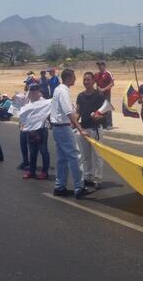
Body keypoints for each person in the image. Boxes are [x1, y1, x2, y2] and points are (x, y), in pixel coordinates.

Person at [50, 69, 90, 199]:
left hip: (58, 128)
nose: (75, 79)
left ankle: (59, 187)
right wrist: (80, 129)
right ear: (68, 78)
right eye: (74, 77)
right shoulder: (63, 91)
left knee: (62, 159)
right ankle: (79, 188)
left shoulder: (58, 89)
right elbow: (68, 112)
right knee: (75, 157)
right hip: (62, 128)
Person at [76, 72, 106, 189]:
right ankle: (88, 177)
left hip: (96, 129)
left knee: (98, 156)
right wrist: (74, 122)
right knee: (86, 156)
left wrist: (99, 117)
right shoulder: (80, 96)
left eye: (88, 80)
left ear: (93, 81)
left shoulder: (99, 95)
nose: (86, 82)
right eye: (84, 80)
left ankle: (98, 179)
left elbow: (105, 112)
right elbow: (78, 112)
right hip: (84, 129)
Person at [18, 83, 51, 180]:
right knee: (32, 152)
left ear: (38, 91)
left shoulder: (44, 102)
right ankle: (32, 171)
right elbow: (24, 115)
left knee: (43, 151)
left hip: (41, 130)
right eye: (31, 90)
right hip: (30, 131)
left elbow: (48, 115)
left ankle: (44, 172)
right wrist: (21, 124)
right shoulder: (29, 103)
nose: (32, 92)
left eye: (34, 90)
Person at [94, 61, 114, 130]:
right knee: (100, 108)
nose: (99, 67)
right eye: (98, 65)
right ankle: (102, 124)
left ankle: (109, 124)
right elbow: (95, 83)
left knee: (107, 108)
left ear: (104, 66)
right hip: (99, 94)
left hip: (106, 94)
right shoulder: (96, 74)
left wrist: (104, 89)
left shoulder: (108, 74)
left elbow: (112, 84)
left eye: (100, 65)